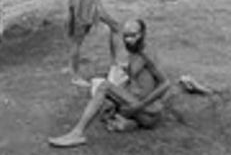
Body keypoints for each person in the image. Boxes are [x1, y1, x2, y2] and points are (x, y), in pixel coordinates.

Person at [48, 18, 170, 147]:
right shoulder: (133, 51)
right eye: (126, 36)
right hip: (133, 105)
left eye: (133, 35)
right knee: (106, 102)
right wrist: (117, 97)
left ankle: (77, 134)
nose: (128, 39)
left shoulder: (146, 54)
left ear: (142, 34)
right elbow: (135, 81)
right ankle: (128, 123)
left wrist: (140, 106)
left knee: (104, 87)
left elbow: (166, 83)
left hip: (146, 112)